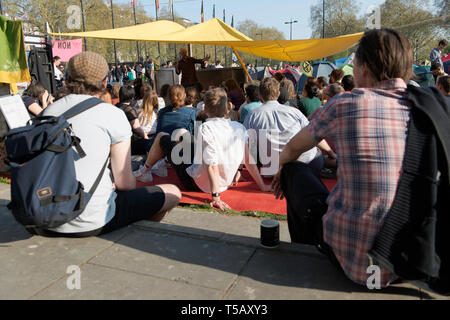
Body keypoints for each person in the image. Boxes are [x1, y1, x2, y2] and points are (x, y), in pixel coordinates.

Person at [272, 28, 415, 288]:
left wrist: (281, 171)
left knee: (293, 171)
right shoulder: (427, 107)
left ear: (365, 68)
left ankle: (303, 252)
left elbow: (292, 149)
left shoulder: (346, 104)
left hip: (355, 259)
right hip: (412, 259)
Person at [37, 51, 181, 237]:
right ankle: (134, 239)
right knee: (173, 193)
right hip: (91, 218)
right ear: (105, 82)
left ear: (66, 78)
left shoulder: (47, 112)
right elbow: (125, 183)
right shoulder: (112, 115)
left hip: (44, 214)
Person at [134, 88, 271, 210]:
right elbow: (249, 161)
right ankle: (165, 161)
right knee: (183, 134)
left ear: (205, 110)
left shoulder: (206, 128)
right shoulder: (239, 127)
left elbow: (212, 165)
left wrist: (215, 197)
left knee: (162, 136)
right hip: (224, 182)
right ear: (226, 108)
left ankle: (145, 171)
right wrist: (262, 186)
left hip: (197, 183)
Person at [244, 78, 331, 178]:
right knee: (316, 154)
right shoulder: (294, 112)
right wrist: (331, 153)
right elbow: (313, 134)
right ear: (278, 93)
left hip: (272, 170)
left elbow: (249, 147)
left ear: (260, 95)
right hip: (305, 163)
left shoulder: (252, 116)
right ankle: (330, 162)